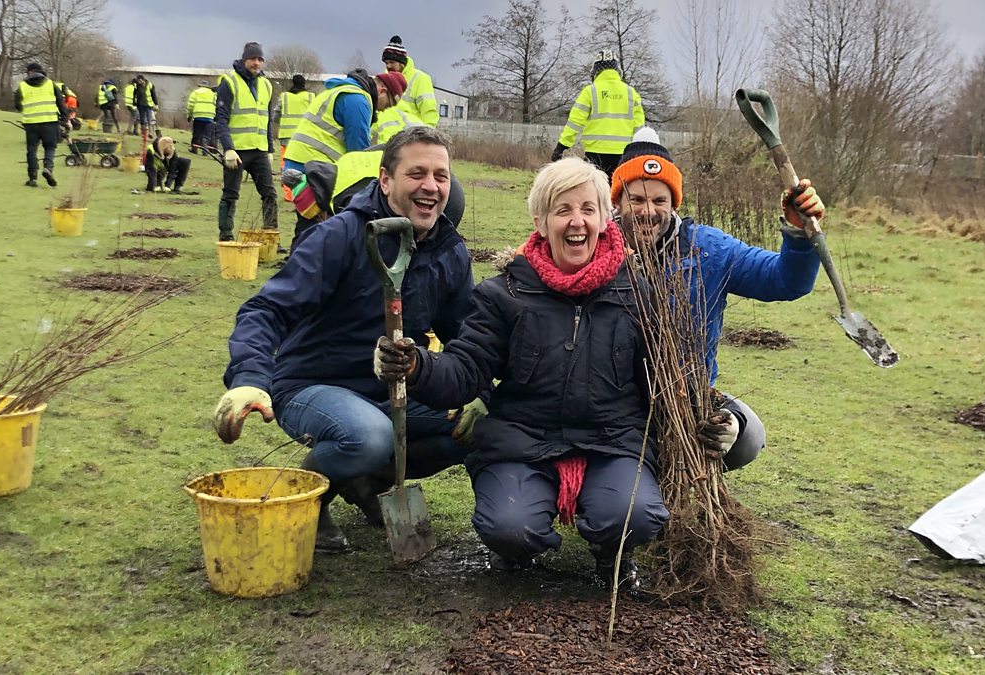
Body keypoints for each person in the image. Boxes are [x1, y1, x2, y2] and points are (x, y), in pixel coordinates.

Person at [373, 157, 737, 589]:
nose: (576, 221)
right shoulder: (503, 293)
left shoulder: (642, 294)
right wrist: (416, 365)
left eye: (587, 209)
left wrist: (722, 415)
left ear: (606, 219)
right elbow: (465, 369)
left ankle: (611, 550)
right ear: (540, 221)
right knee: (510, 527)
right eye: (562, 210)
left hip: (614, 443)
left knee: (633, 516)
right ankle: (519, 549)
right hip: (524, 442)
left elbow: (673, 382)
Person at [214, 126, 474, 553]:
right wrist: (249, 377)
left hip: (392, 388)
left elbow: (465, 334)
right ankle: (308, 499)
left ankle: (365, 479)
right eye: (417, 173)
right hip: (313, 385)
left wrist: (479, 391)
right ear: (385, 180)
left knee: (472, 427)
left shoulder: (448, 251)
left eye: (441, 176)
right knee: (368, 436)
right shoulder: (341, 236)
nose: (431, 186)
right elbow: (266, 310)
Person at [611, 127, 826, 470]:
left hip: (685, 401)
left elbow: (785, 281)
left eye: (659, 200)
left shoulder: (709, 250)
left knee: (748, 436)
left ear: (674, 203)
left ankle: (684, 467)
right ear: (617, 202)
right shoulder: (596, 251)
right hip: (611, 405)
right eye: (635, 199)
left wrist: (800, 234)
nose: (647, 211)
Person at [281, 146, 465, 249]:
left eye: (319, 216)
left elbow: (365, 241)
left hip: (444, 197)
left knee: (422, 251)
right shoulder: (345, 163)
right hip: (441, 182)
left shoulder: (344, 198)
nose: (322, 220)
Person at [214, 41, 279, 241]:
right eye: (252, 59)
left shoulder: (266, 85)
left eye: (260, 59)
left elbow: (266, 120)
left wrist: (269, 149)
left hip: (259, 149)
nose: (256, 63)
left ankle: (270, 236)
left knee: (269, 194)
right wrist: (228, 149)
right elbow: (221, 119)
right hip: (238, 151)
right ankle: (226, 235)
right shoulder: (229, 82)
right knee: (231, 194)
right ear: (244, 60)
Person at [283, 69, 405, 172]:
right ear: (382, 91)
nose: (383, 110)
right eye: (387, 105)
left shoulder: (344, 90)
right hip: (314, 165)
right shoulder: (358, 101)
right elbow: (358, 151)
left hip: (300, 160)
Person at [552, 50, 645, 176]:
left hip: (595, 155)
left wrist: (561, 146)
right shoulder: (631, 93)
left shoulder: (590, 91)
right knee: (619, 192)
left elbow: (575, 122)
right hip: (623, 154)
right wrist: (641, 150)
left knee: (595, 192)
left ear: (596, 71)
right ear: (617, 70)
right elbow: (639, 127)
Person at [14, 62, 68, 188]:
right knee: (50, 147)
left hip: (31, 123)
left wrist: (27, 108)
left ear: (29, 72)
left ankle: (32, 178)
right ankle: (48, 168)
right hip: (49, 121)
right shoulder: (50, 84)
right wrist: (65, 119)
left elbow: (17, 105)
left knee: (31, 149)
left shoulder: (22, 85)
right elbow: (61, 102)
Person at [381, 35, 438, 126]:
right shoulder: (384, 80)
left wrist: (427, 138)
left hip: (412, 137)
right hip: (387, 138)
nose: (388, 66)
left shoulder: (421, 79)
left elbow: (429, 112)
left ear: (402, 63)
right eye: (386, 63)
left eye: (392, 62)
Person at [275, 74, 313, 154]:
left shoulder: (284, 96)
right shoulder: (310, 97)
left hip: (286, 136)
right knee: (302, 160)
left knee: (285, 161)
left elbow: (276, 116)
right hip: (305, 135)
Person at [185, 80, 216, 154]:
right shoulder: (213, 94)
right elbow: (216, 104)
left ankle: (194, 149)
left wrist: (189, 115)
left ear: (199, 86)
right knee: (207, 134)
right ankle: (205, 146)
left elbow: (190, 105)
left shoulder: (195, 92)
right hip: (210, 116)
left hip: (198, 116)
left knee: (196, 133)